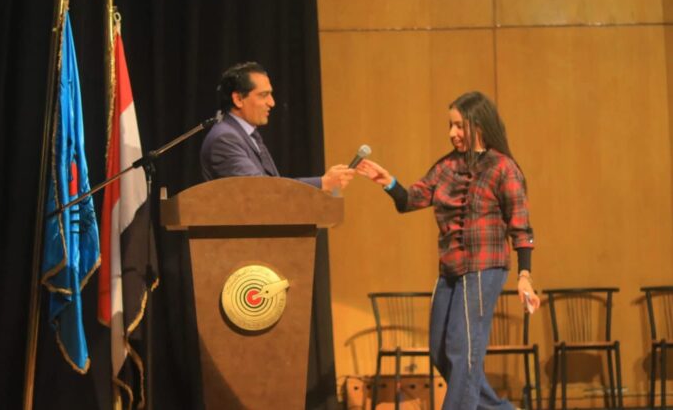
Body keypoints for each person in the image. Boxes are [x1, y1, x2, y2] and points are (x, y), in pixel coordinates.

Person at [356, 91, 540, 410]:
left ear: (478, 125)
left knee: (461, 350)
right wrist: (388, 183)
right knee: (441, 352)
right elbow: (412, 199)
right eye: (449, 126)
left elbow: (521, 226)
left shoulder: (503, 167)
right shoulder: (447, 166)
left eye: (458, 125)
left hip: (484, 268)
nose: (452, 133)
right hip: (451, 269)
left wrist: (525, 276)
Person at [200, 61, 353, 190]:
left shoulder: (247, 133)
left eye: (270, 94)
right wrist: (322, 183)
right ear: (238, 99)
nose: (272, 103)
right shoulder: (225, 138)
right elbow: (261, 190)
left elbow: (271, 183)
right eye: (263, 95)